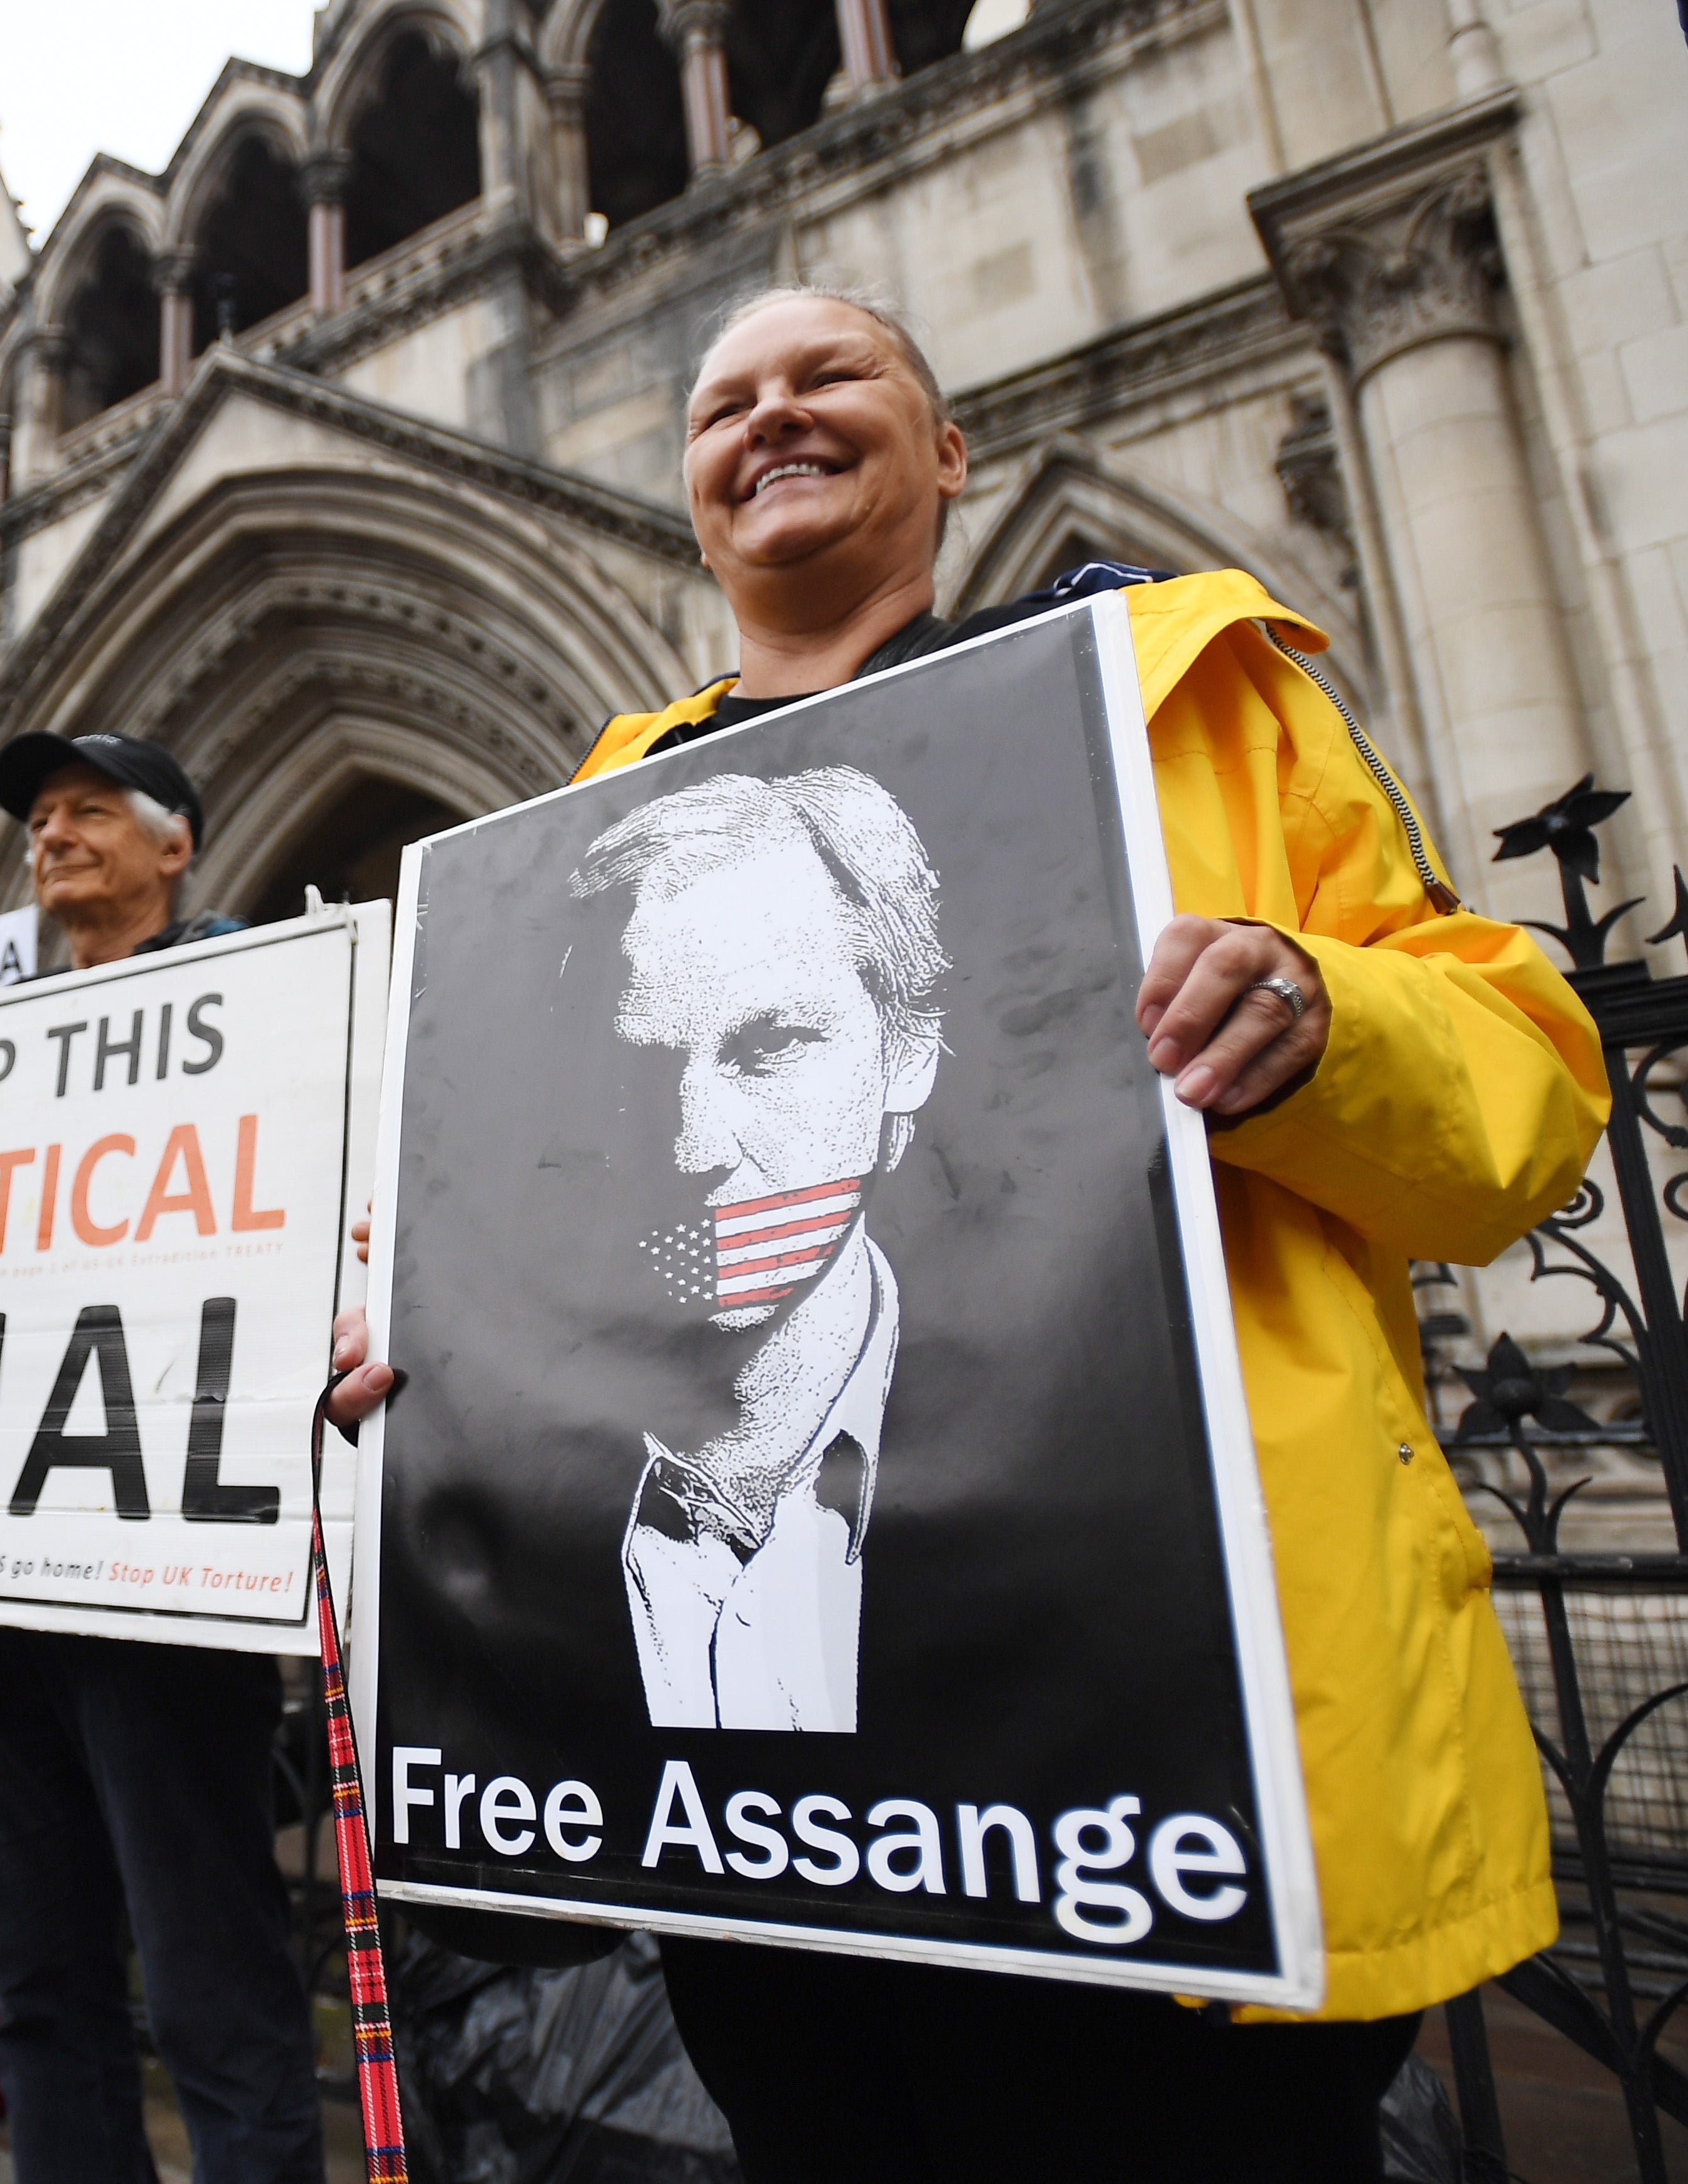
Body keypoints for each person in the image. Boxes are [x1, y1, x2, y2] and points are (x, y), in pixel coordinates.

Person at [325, 284, 1608, 2181]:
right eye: (723, 404)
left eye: (828, 376)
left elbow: (1515, 1101)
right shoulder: (584, 839)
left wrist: (1326, 1026)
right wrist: (413, 1360)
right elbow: (526, 1244)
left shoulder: (1189, 694)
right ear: (690, 498)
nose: (770, 415)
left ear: (947, 450)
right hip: (765, 1839)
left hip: (1155, 1795)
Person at [0, 734, 319, 2184]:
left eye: (87, 809)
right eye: (37, 815)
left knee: (210, 1979)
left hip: (156, 1572)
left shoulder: (265, 1000)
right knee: (37, 1979)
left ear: (175, 844)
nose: (50, 832)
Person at [573, 767, 946, 1733]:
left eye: (770, 1044)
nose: (693, 1147)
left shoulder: (1097, 1459)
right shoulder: (509, 1496)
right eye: (637, 1068)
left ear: (904, 1053)